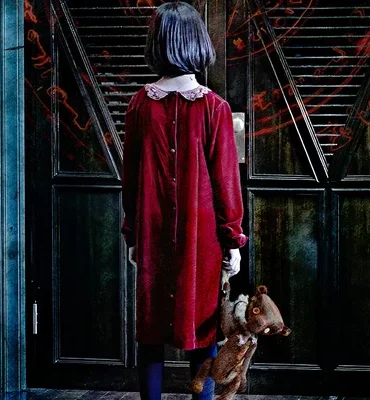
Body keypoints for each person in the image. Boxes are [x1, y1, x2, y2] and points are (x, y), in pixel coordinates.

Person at [121, 2, 248, 400]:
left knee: (150, 333)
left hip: (152, 235)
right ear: (198, 42)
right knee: (204, 331)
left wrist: (132, 234)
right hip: (202, 241)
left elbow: (130, 180)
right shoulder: (214, 108)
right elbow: (227, 184)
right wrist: (233, 240)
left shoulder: (139, 106)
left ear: (156, 43)